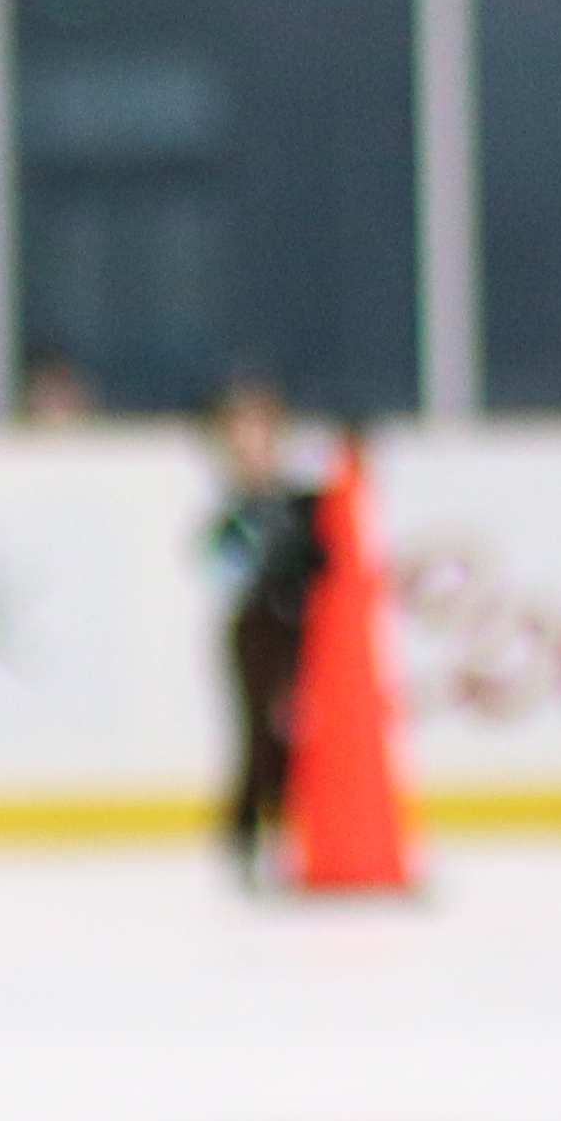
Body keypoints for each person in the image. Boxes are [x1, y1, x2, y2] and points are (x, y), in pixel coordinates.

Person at [201, 373, 324, 888]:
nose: (252, 443)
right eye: (242, 432)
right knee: (257, 734)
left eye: (261, 430)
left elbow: (325, 553)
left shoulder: (297, 501)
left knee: (297, 734)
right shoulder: (236, 511)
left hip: (298, 627)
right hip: (254, 627)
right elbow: (219, 565)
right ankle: (246, 837)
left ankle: (296, 832)